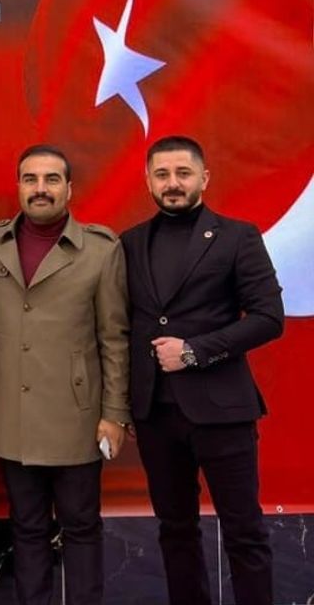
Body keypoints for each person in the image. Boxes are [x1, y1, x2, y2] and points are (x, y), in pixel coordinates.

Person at [121, 135, 284, 605]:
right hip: (155, 414)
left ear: (204, 178)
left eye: (183, 173)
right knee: (175, 530)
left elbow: (268, 317)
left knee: (244, 531)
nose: (172, 183)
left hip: (223, 412)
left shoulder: (238, 237)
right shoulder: (129, 243)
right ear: (148, 181)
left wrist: (193, 351)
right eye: (162, 174)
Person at [0, 144, 130, 605]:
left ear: (69, 189)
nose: (40, 189)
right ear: (18, 186)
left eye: (51, 179)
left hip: (76, 417)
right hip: (11, 415)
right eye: (31, 179)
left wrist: (114, 414)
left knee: (81, 527)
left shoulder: (101, 250)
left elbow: (114, 338)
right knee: (26, 527)